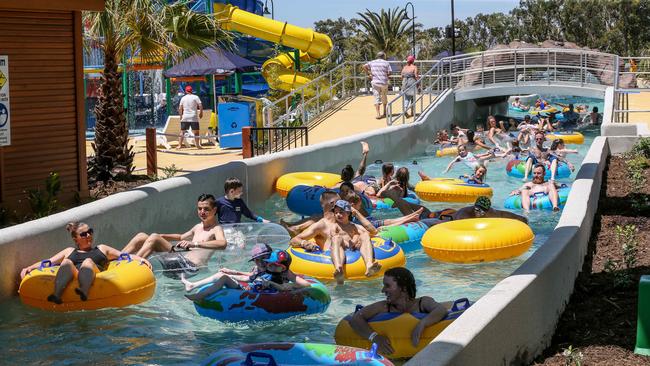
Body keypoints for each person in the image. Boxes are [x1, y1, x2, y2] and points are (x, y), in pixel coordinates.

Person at [20, 222, 150, 304]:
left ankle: (84, 291)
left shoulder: (102, 248)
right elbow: (48, 262)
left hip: (96, 273)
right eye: (83, 234)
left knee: (88, 262)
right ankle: (57, 294)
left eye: (90, 232)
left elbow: (124, 256)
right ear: (75, 239)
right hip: (75, 275)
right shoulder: (69, 251)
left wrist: (141, 259)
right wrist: (29, 268)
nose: (88, 235)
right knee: (66, 262)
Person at [122, 194, 227, 277]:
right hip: (179, 263)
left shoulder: (216, 229)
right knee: (142, 236)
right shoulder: (197, 227)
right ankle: (117, 259)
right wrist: (162, 236)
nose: (202, 212)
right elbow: (181, 237)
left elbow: (222, 243)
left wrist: (194, 244)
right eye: (200, 209)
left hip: (190, 269)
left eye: (206, 209)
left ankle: (132, 268)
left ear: (214, 210)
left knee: (154, 238)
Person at [349, 267, 447, 355]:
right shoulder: (384, 306)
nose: (383, 290)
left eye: (387, 285)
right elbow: (356, 318)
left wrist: (422, 324)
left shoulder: (422, 303)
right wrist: (375, 337)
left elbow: (441, 309)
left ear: (403, 288)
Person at [290, 200, 381, 284]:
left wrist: (356, 213)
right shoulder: (332, 226)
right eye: (336, 212)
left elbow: (373, 231)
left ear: (348, 213)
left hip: (352, 250)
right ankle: (339, 268)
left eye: (341, 212)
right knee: (337, 238)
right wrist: (305, 243)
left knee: (365, 235)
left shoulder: (354, 226)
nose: (338, 215)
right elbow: (334, 236)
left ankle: (369, 265)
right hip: (337, 249)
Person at [184, 249, 309, 301]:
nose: (269, 266)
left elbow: (306, 285)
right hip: (249, 289)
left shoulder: (285, 274)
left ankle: (199, 296)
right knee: (223, 275)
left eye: (273, 265)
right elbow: (250, 278)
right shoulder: (266, 270)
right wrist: (233, 273)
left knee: (223, 278)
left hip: (252, 294)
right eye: (269, 264)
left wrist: (273, 284)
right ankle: (193, 286)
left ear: (282, 267)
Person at [363, 51, 392, 119]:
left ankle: (378, 114)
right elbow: (390, 72)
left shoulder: (372, 62)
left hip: (375, 82)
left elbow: (364, 66)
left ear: (377, 56)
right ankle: (385, 112)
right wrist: (385, 75)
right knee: (384, 97)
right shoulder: (386, 63)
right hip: (384, 82)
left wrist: (369, 74)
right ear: (383, 56)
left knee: (376, 97)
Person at [178, 85, 203, 149]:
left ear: (186, 91)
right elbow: (200, 105)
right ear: (192, 91)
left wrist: (181, 116)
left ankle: (179, 145)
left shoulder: (183, 98)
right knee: (196, 132)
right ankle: (197, 145)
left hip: (185, 116)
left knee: (182, 131)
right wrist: (201, 113)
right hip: (193, 116)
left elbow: (180, 108)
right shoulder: (196, 97)